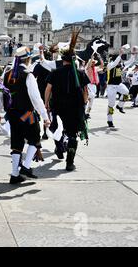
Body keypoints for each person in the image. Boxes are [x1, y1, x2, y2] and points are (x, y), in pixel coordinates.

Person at [2, 47, 50, 184]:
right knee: (35, 139)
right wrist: (45, 116)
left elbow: (2, 95)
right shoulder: (28, 75)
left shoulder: (7, 74)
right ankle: (26, 167)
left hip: (12, 114)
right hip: (27, 114)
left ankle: (15, 174)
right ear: (28, 59)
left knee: (16, 143)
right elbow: (36, 98)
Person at [45, 30, 90, 172]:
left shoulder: (55, 72)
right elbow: (85, 92)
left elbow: (48, 89)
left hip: (58, 106)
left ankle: (59, 147)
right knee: (72, 134)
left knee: (56, 128)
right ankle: (69, 162)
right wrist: (84, 104)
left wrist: (46, 104)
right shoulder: (81, 73)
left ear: (62, 60)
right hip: (75, 108)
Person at [106, 47, 137, 128]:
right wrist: (120, 54)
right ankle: (110, 120)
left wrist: (133, 55)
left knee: (126, 92)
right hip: (111, 86)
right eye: (119, 59)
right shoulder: (110, 65)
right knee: (111, 104)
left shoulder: (120, 64)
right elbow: (115, 63)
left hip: (119, 84)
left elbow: (130, 62)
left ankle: (119, 105)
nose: (120, 61)